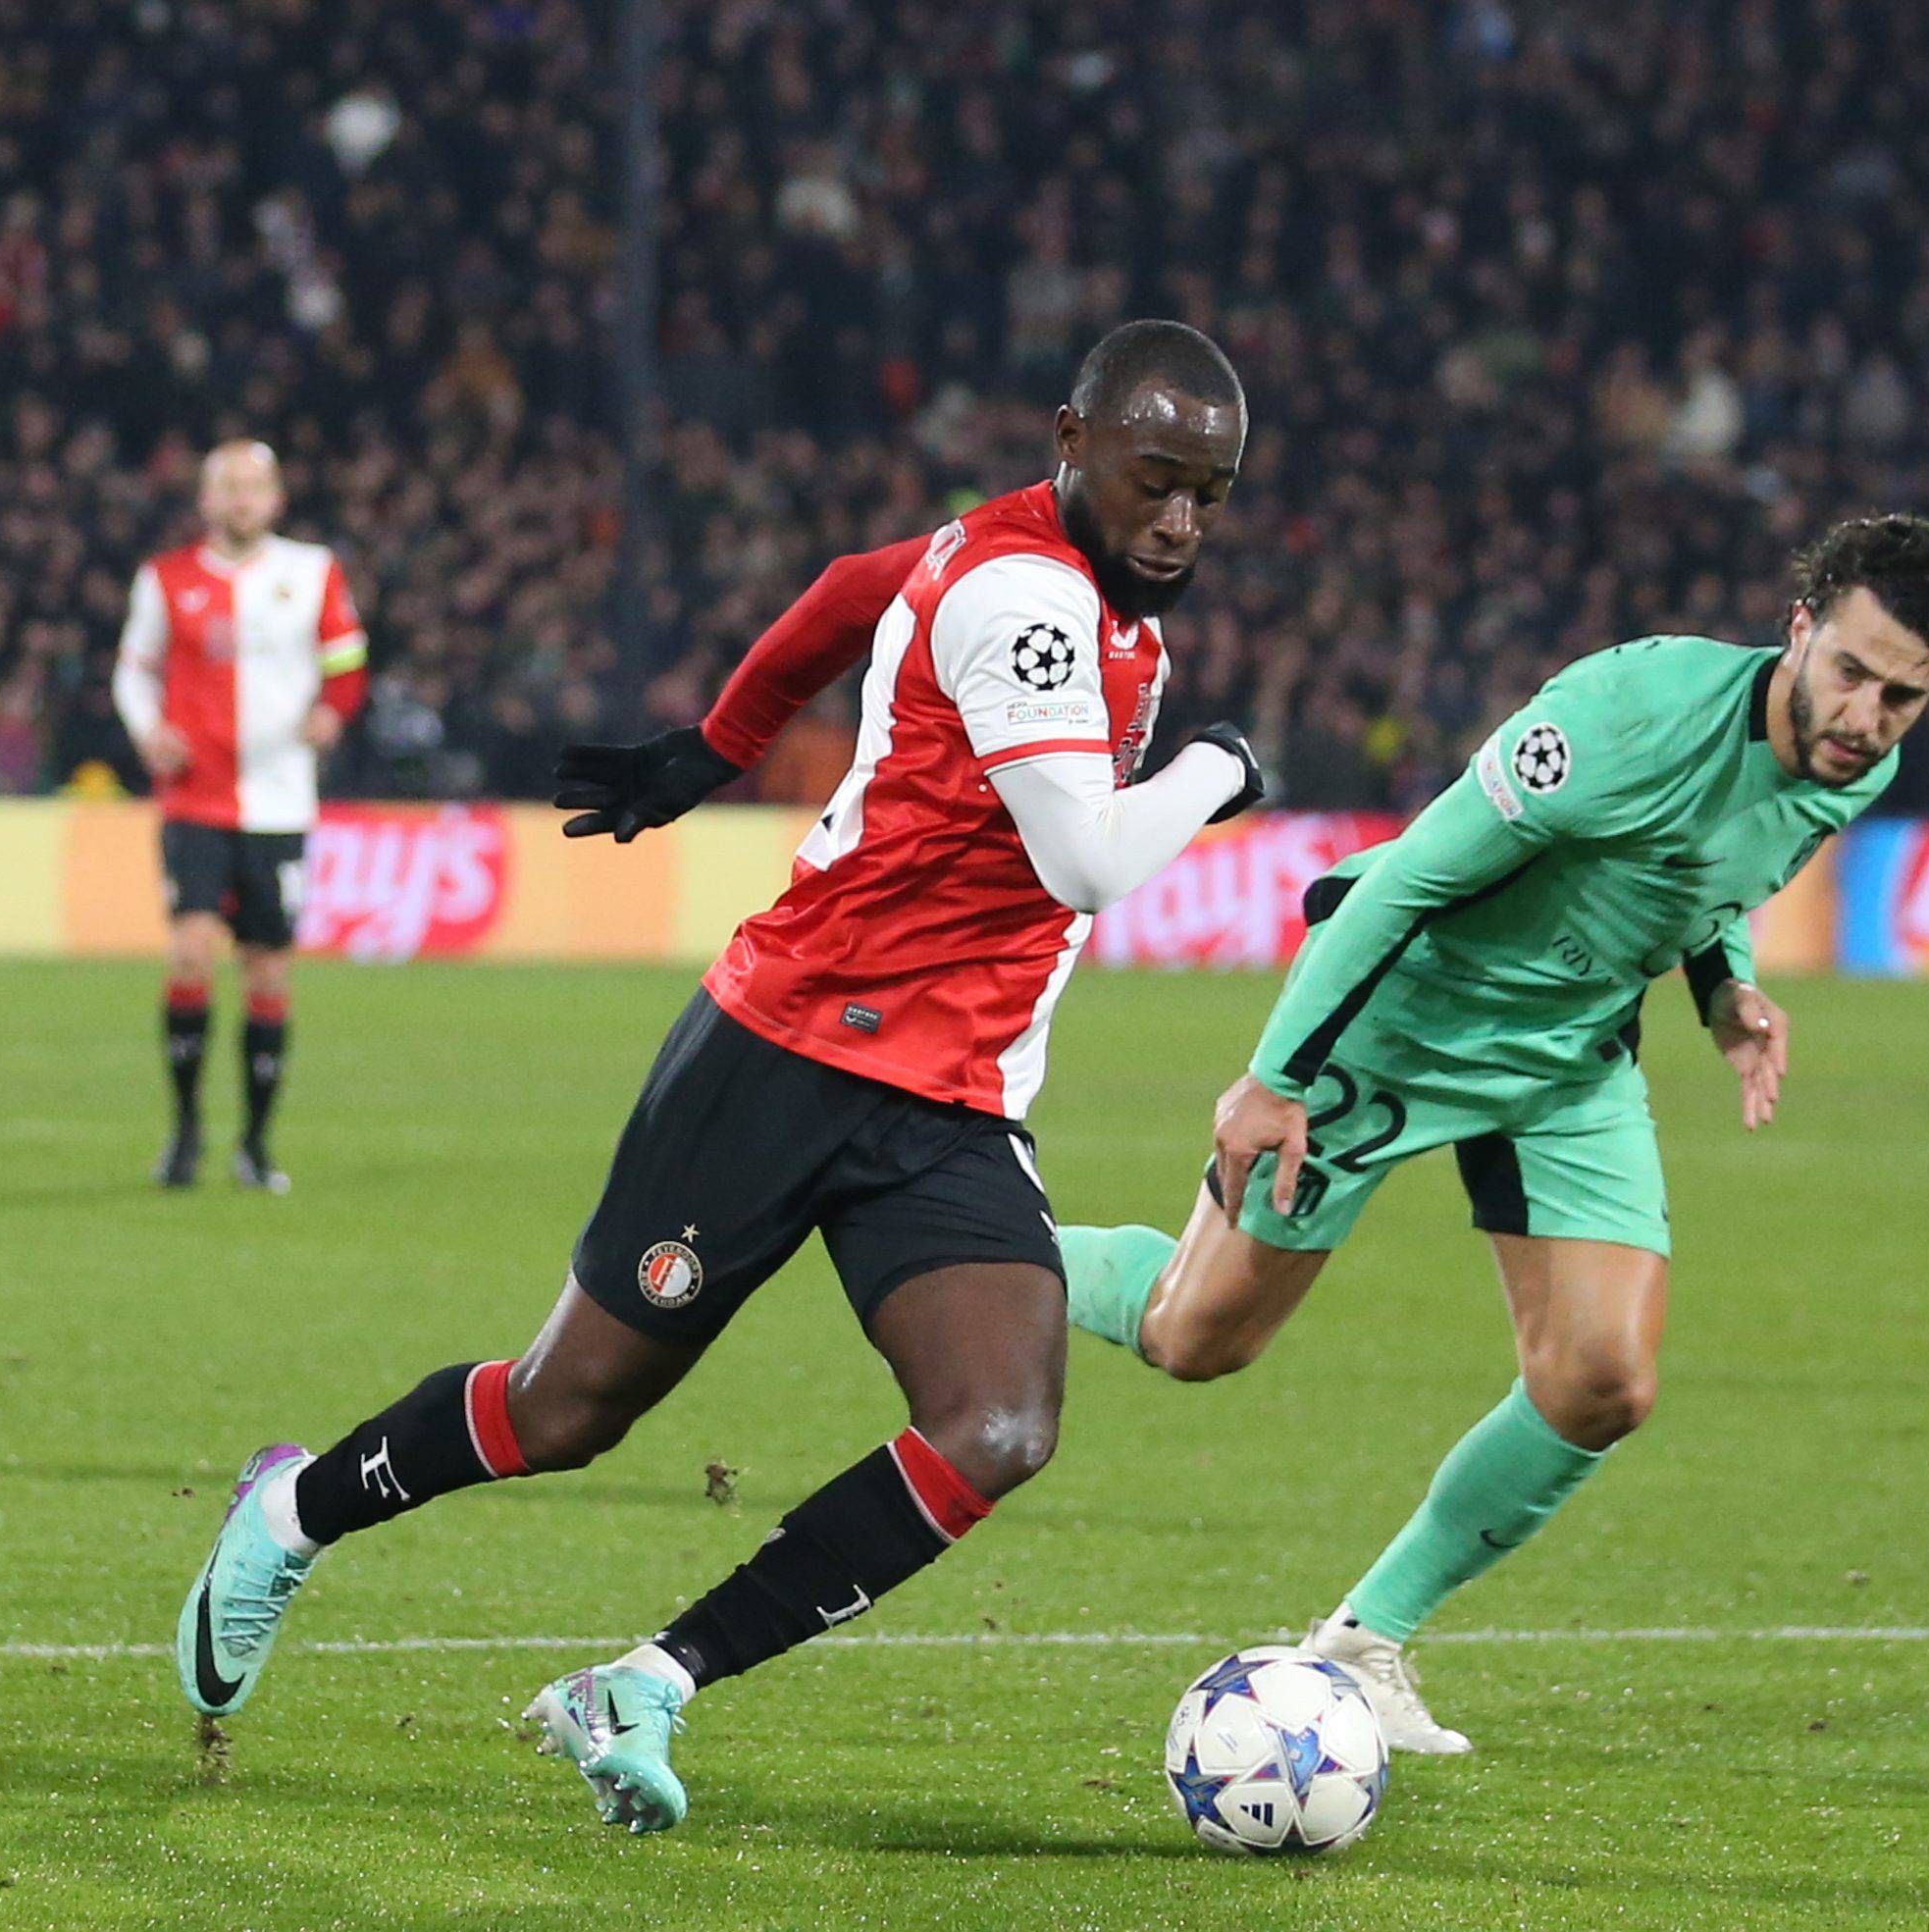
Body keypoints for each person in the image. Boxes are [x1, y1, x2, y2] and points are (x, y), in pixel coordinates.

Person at [173, 322, 1270, 1834]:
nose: (1182, 521)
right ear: (1069, 439)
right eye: (1158, 481)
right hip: (785, 1049)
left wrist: (714, 743)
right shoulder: (1025, 594)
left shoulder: (1070, 581)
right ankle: (291, 1509)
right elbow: (1084, 857)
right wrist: (1220, 767)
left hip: (949, 1097)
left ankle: (651, 1680)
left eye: (1210, 494)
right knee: (568, 1412)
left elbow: (837, 596)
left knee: (999, 1424)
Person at [1055, 514, 1929, 1752]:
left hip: (1567, 1060)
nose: (1868, 717)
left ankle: (1364, 1639)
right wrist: (1273, 1078)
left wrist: (1726, 993)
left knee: (1603, 1379)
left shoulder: (1851, 766)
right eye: (1852, 674)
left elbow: (1706, 876)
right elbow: (1404, 880)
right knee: (1194, 1335)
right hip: (1406, 1024)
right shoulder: (1623, 715)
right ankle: (975, 1239)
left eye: (1903, 698)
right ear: (1800, 629)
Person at [112, 441, 368, 1193]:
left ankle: (255, 1143)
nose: (241, 498)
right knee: (190, 951)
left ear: (276, 497)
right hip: (195, 798)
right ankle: (186, 1129)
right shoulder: (166, 579)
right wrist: (147, 730)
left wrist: (332, 711)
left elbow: (347, 661)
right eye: (227, 486)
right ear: (205, 500)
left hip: (281, 800)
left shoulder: (313, 570)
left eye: (254, 486)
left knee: (267, 968)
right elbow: (133, 670)